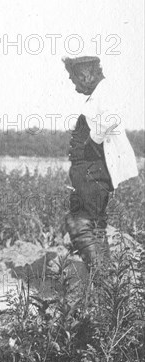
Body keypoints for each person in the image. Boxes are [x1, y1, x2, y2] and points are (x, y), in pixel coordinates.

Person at [62, 56, 138, 270]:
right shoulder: (100, 94)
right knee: (94, 225)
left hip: (92, 175)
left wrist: (93, 141)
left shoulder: (104, 93)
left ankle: (102, 282)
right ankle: (105, 285)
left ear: (85, 75)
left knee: (79, 223)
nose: (76, 88)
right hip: (91, 174)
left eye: (74, 80)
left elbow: (111, 118)